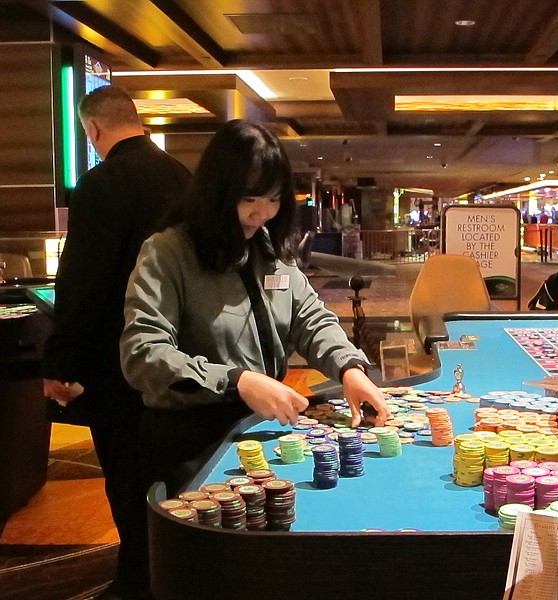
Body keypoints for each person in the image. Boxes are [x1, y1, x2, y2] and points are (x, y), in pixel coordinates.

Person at [119, 119, 391, 498]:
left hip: (258, 429)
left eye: (275, 199)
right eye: (249, 199)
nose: (262, 214)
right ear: (217, 192)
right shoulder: (167, 252)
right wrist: (237, 380)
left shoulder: (269, 246)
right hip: (192, 441)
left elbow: (309, 318)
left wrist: (349, 368)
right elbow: (143, 355)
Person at [41, 85, 190, 599]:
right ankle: (174, 572)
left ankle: (137, 581)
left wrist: (59, 362)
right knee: (174, 475)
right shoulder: (184, 179)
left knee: (126, 478)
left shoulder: (101, 183)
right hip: (184, 361)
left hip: (118, 363)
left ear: (94, 130)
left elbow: (83, 281)